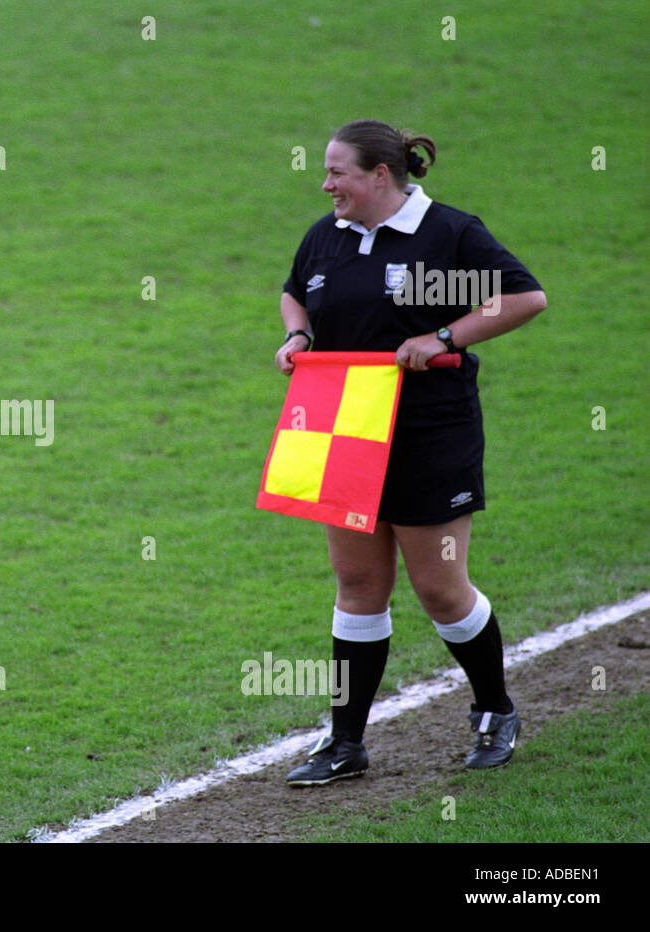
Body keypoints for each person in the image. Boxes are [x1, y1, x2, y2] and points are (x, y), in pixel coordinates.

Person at [275, 119, 547, 786]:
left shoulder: (447, 233)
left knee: (437, 586)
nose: (326, 183)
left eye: (337, 171)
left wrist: (445, 335)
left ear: (380, 175)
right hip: (343, 426)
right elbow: (293, 293)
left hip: (431, 431)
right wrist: (299, 337)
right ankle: (345, 742)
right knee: (359, 584)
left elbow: (523, 297)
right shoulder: (325, 237)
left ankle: (495, 710)